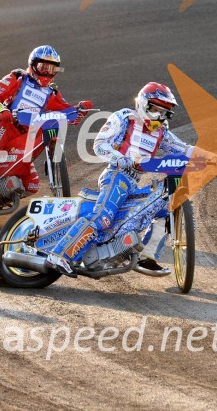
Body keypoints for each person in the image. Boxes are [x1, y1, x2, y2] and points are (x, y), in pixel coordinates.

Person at [46, 82, 203, 277]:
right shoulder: (124, 118)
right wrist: (119, 158)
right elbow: (100, 144)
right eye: (155, 110)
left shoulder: (162, 133)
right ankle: (59, 254)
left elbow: (184, 149)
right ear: (144, 104)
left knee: (164, 208)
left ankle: (146, 255)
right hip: (116, 175)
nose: (159, 116)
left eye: (164, 113)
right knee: (103, 217)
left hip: (133, 183)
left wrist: (213, 157)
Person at [0, 45, 92, 222]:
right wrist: (0, 109)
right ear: (33, 65)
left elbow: (68, 112)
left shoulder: (51, 93)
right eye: (43, 67)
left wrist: (81, 109)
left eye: (52, 68)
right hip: (5, 126)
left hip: (24, 138)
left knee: (31, 184)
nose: (47, 72)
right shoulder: (18, 77)